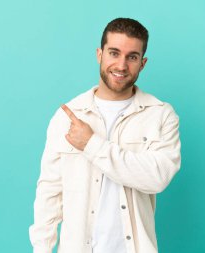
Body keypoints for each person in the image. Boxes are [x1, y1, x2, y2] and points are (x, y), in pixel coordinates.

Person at [29, 18, 181, 253]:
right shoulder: (68, 116)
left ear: (143, 63)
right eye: (114, 53)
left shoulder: (160, 115)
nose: (121, 65)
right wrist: (42, 249)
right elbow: (49, 192)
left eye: (132, 57)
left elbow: (157, 177)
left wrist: (91, 144)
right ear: (99, 54)